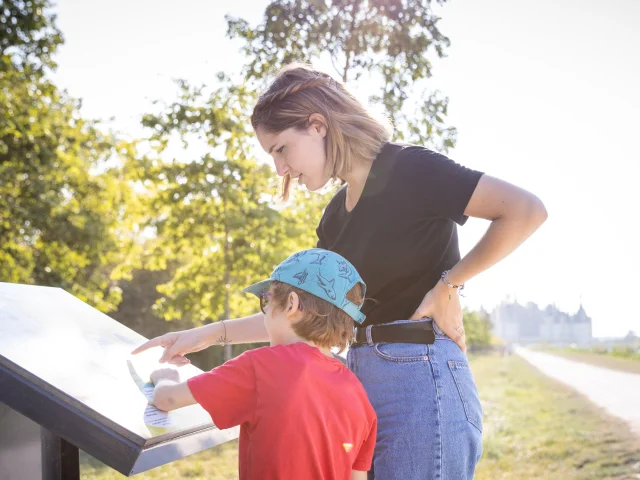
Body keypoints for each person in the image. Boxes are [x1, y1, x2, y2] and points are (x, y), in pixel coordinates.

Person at [133, 64, 548, 479]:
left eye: (280, 149)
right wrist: (206, 334)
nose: (280, 169)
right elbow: (304, 315)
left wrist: (450, 284)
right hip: (361, 380)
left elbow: (525, 211)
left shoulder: (410, 168)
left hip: (421, 380)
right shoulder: (333, 217)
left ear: (317, 125)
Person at [137, 248, 377, 480]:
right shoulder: (359, 396)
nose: (264, 312)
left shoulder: (261, 367)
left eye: (266, 300)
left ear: (291, 305)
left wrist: (165, 376)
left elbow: (166, 400)